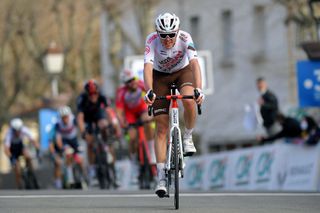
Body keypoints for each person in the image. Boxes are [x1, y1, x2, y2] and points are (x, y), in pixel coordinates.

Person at [143, 13, 205, 197]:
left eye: (172, 34)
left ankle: (187, 136)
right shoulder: (151, 40)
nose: (168, 39)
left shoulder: (185, 38)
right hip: (159, 76)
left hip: (182, 72)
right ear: (157, 33)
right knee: (161, 126)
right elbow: (147, 67)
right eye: (164, 35)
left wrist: (199, 89)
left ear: (177, 32)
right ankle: (161, 176)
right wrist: (149, 90)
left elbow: (194, 64)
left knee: (189, 99)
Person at [76, 79, 121, 186]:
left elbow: (110, 112)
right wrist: (83, 132)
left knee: (104, 127)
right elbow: (80, 117)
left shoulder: (102, 97)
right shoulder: (81, 99)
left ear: (98, 91)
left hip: (99, 117)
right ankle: (92, 171)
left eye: (94, 93)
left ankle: (111, 163)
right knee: (90, 143)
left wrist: (115, 125)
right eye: (90, 94)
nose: (93, 96)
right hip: (88, 119)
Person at [115, 69, 156, 186]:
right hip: (130, 114)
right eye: (128, 81)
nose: (132, 83)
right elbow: (119, 111)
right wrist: (122, 123)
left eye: (133, 79)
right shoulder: (121, 92)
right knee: (132, 137)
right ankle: (134, 165)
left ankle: (152, 153)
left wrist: (153, 112)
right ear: (125, 84)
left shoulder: (142, 84)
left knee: (148, 122)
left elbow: (153, 95)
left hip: (142, 109)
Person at [53, 106, 87, 188]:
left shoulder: (73, 120)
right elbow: (58, 139)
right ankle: (70, 177)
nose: (65, 119)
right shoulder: (58, 124)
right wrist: (61, 148)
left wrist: (83, 135)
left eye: (66, 116)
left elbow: (81, 127)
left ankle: (84, 176)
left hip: (74, 140)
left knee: (80, 159)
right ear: (61, 117)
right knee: (68, 155)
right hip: (65, 141)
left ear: (69, 115)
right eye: (63, 117)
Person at [3, 118, 40, 189]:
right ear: (13, 129)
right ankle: (19, 186)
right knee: (17, 168)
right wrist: (11, 158)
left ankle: (31, 172)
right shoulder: (9, 133)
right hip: (12, 150)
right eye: (15, 131)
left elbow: (33, 140)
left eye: (19, 130)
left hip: (20, 147)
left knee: (28, 157)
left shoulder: (24, 129)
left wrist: (37, 149)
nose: (17, 133)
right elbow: (6, 149)